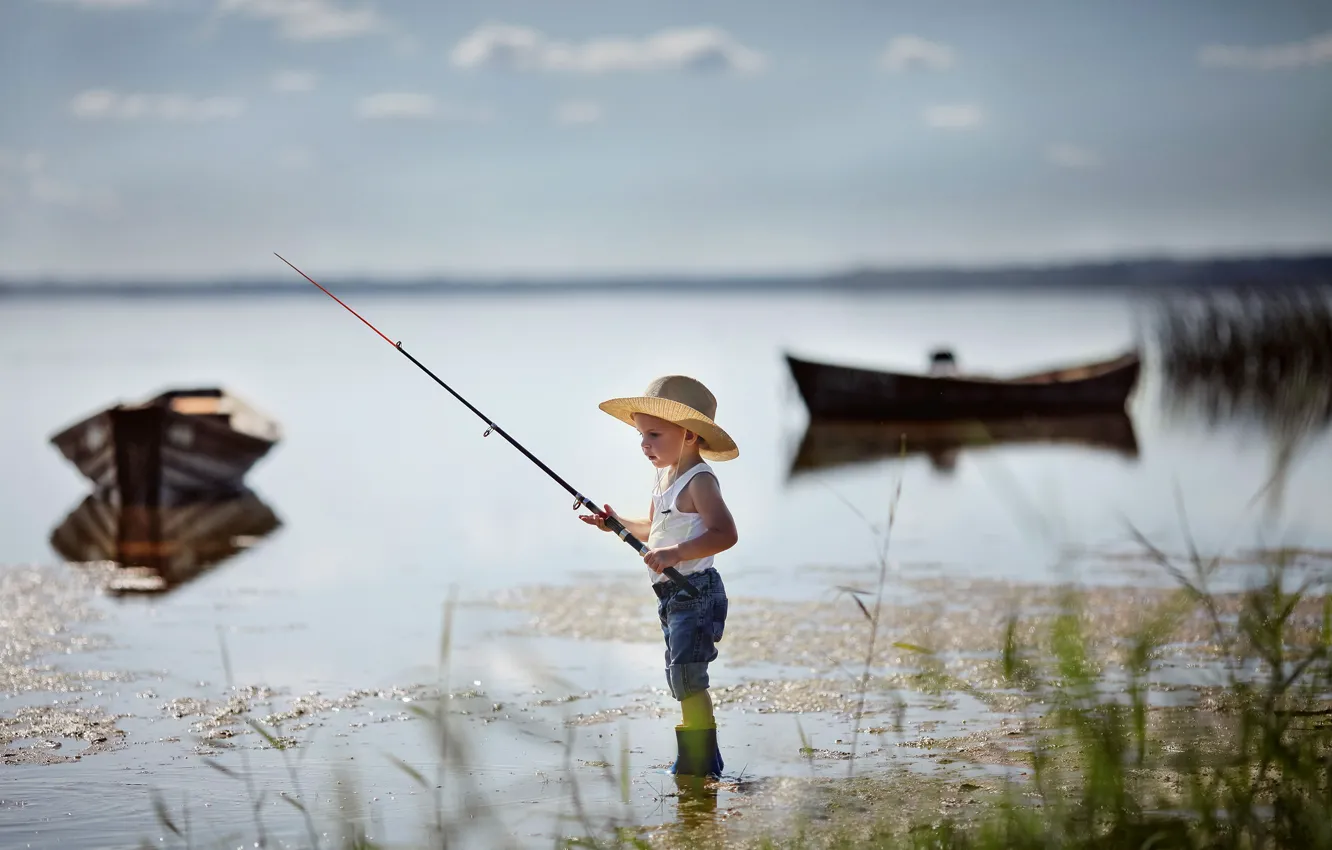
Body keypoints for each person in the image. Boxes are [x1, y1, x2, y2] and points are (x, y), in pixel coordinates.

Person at [581, 375, 738, 778]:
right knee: (677, 674)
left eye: (653, 434)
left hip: (695, 591)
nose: (644, 444)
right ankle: (704, 759)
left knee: (688, 676)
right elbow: (652, 531)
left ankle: (700, 761)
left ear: (688, 434)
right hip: (671, 595)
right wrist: (615, 523)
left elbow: (725, 534)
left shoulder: (700, 481)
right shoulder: (665, 478)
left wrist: (676, 553)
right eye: (640, 435)